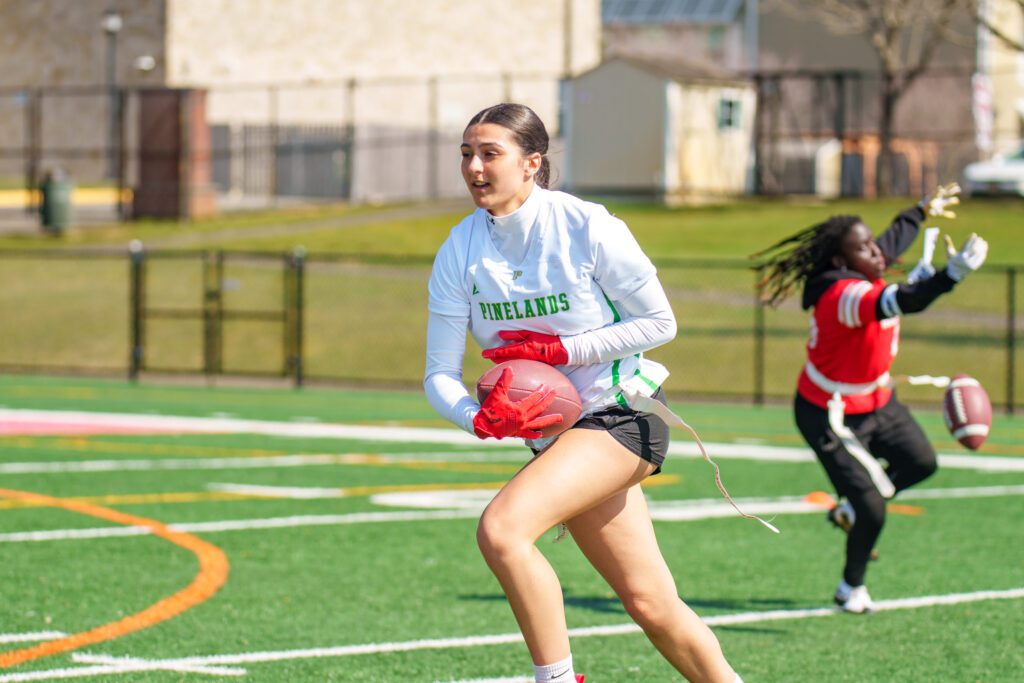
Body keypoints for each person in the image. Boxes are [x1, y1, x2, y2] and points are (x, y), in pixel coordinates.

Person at [424, 103, 744, 683]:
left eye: (490, 153)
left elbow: (660, 323)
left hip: (621, 419)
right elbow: (437, 373)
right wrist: (476, 418)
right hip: (557, 444)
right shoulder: (459, 250)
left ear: (532, 163)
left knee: (502, 530)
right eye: (467, 154)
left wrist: (559, 352)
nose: (474, 166)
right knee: (652, 605)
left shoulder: (588, 226)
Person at [753, 185, 988, 614]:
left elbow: (889, 243)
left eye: (873, 244)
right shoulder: (844, 296)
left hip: (878, 400)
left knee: (921, 463)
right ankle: (850, 587)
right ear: (843, 261)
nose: (878, 253)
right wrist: (951, 274)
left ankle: (848, 508)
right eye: (865, 248)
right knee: (873, 508)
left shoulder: (864, 267)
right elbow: (908, 301)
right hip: (830, 413)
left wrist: (917, 212)